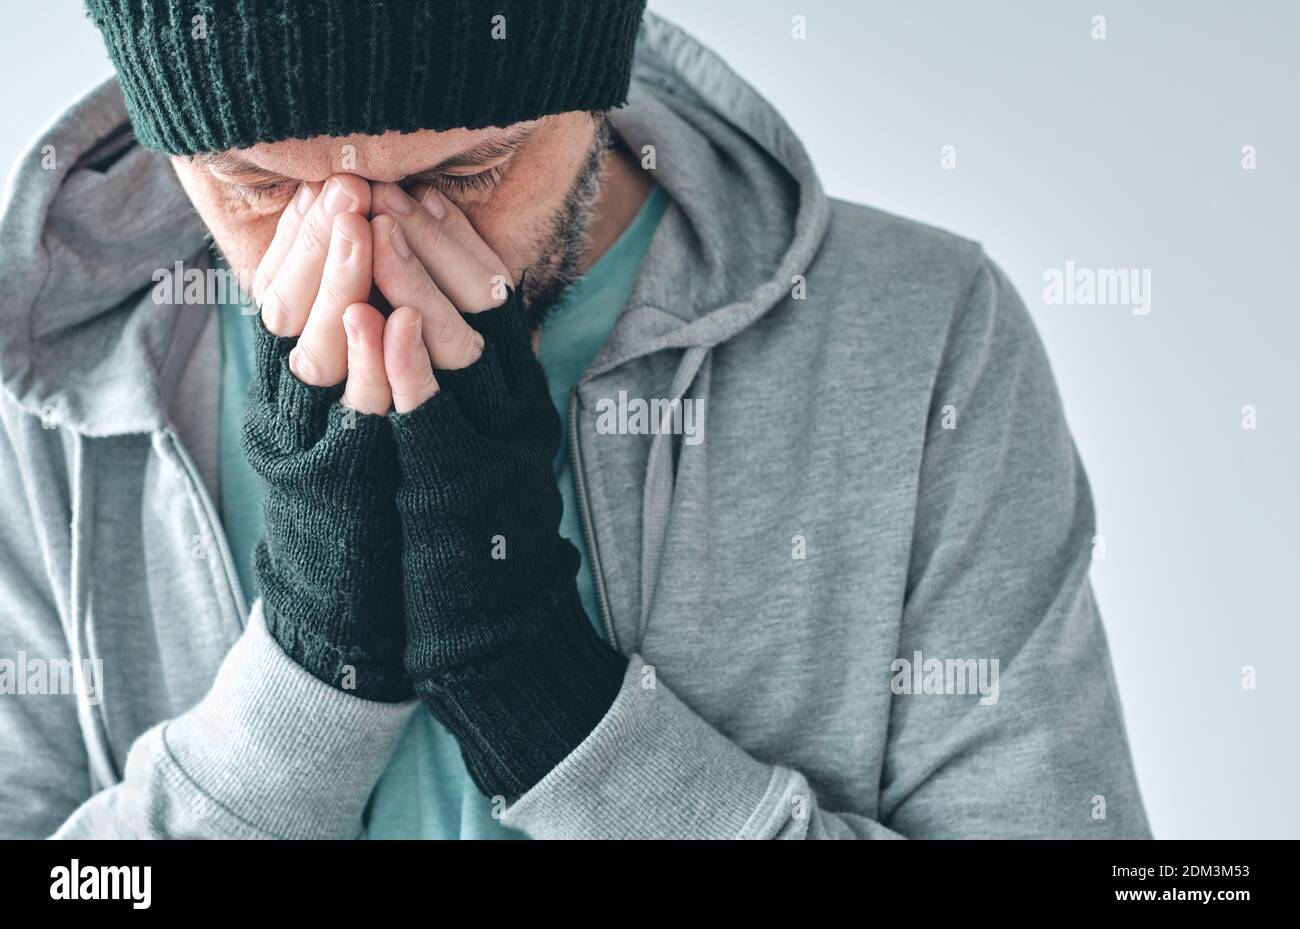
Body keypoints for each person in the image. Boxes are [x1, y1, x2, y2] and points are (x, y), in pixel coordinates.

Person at [0, 0, 1149, 839]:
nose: (366, 259)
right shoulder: (35, 395)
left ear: (593, 84)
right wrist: (306, 682)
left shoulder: (922, 333)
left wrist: (545, 701)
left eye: (469, 171)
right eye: (260, 186)